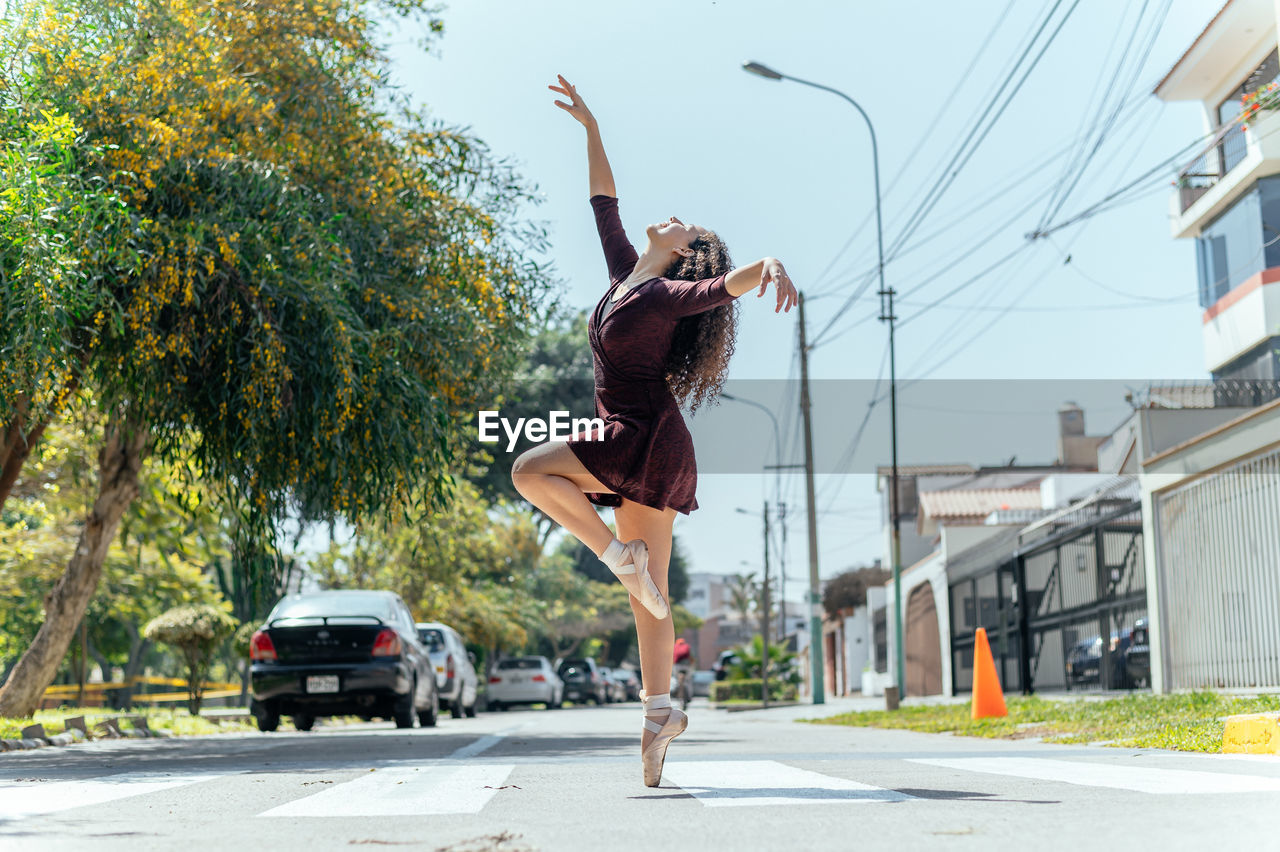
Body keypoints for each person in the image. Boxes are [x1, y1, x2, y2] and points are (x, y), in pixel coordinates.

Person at [511, 75, 797, 788]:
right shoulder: (624, 278)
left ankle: (617, 556)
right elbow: (603, 202)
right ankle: (657, 717)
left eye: (686, 226)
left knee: (526, 471)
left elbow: (726, 285)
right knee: (652, 596)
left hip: (641, 437)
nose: (673, 218)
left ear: (681, 252)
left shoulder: (669, 294)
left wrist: (772, 267)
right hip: (650, 443)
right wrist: (592, 127)